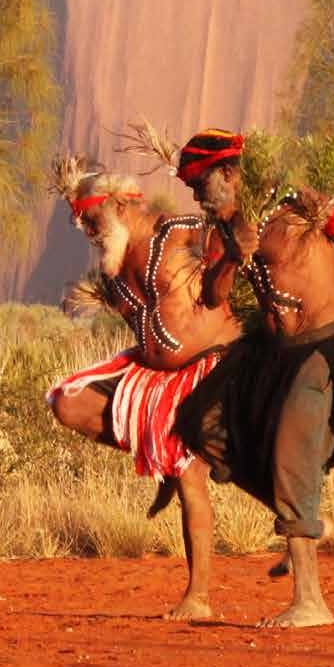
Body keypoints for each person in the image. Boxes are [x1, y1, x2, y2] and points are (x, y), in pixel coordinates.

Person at [169, 128, 334, 629]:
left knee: (292, 452)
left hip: (320, 351)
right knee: (202, 424)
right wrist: (232, 253)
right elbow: (215, 294)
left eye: (202, 185)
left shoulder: (298, 211)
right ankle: (306, 519)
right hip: (271, 352)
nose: (198, 197)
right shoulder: (230, 228)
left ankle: (311, 601)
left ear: (228, 174)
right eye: (193, 189)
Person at [46, 156, 244, 619]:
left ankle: (198, 598)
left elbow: (228, 245)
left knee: (190, 476)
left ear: (120, 203)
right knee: (67, 403)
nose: (87, 229)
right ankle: (158, 453)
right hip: (155, 378)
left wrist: (231, 256)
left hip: (209, 367)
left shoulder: (176, 228)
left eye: (91, 217)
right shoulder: (113, 273)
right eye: (80, 222)